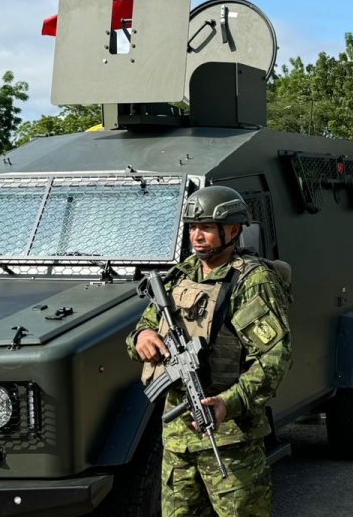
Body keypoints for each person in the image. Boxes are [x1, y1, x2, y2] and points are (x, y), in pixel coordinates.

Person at [128, 185, 291, 516]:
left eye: (205, 227)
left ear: (232, 230)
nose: (196, 236)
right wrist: (142, 337)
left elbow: (275, 359)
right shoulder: (179, 277)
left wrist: (227, 404)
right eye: (192, 227)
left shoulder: (251, 281)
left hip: (231, 441)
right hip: (178, 439)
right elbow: (141, 329)